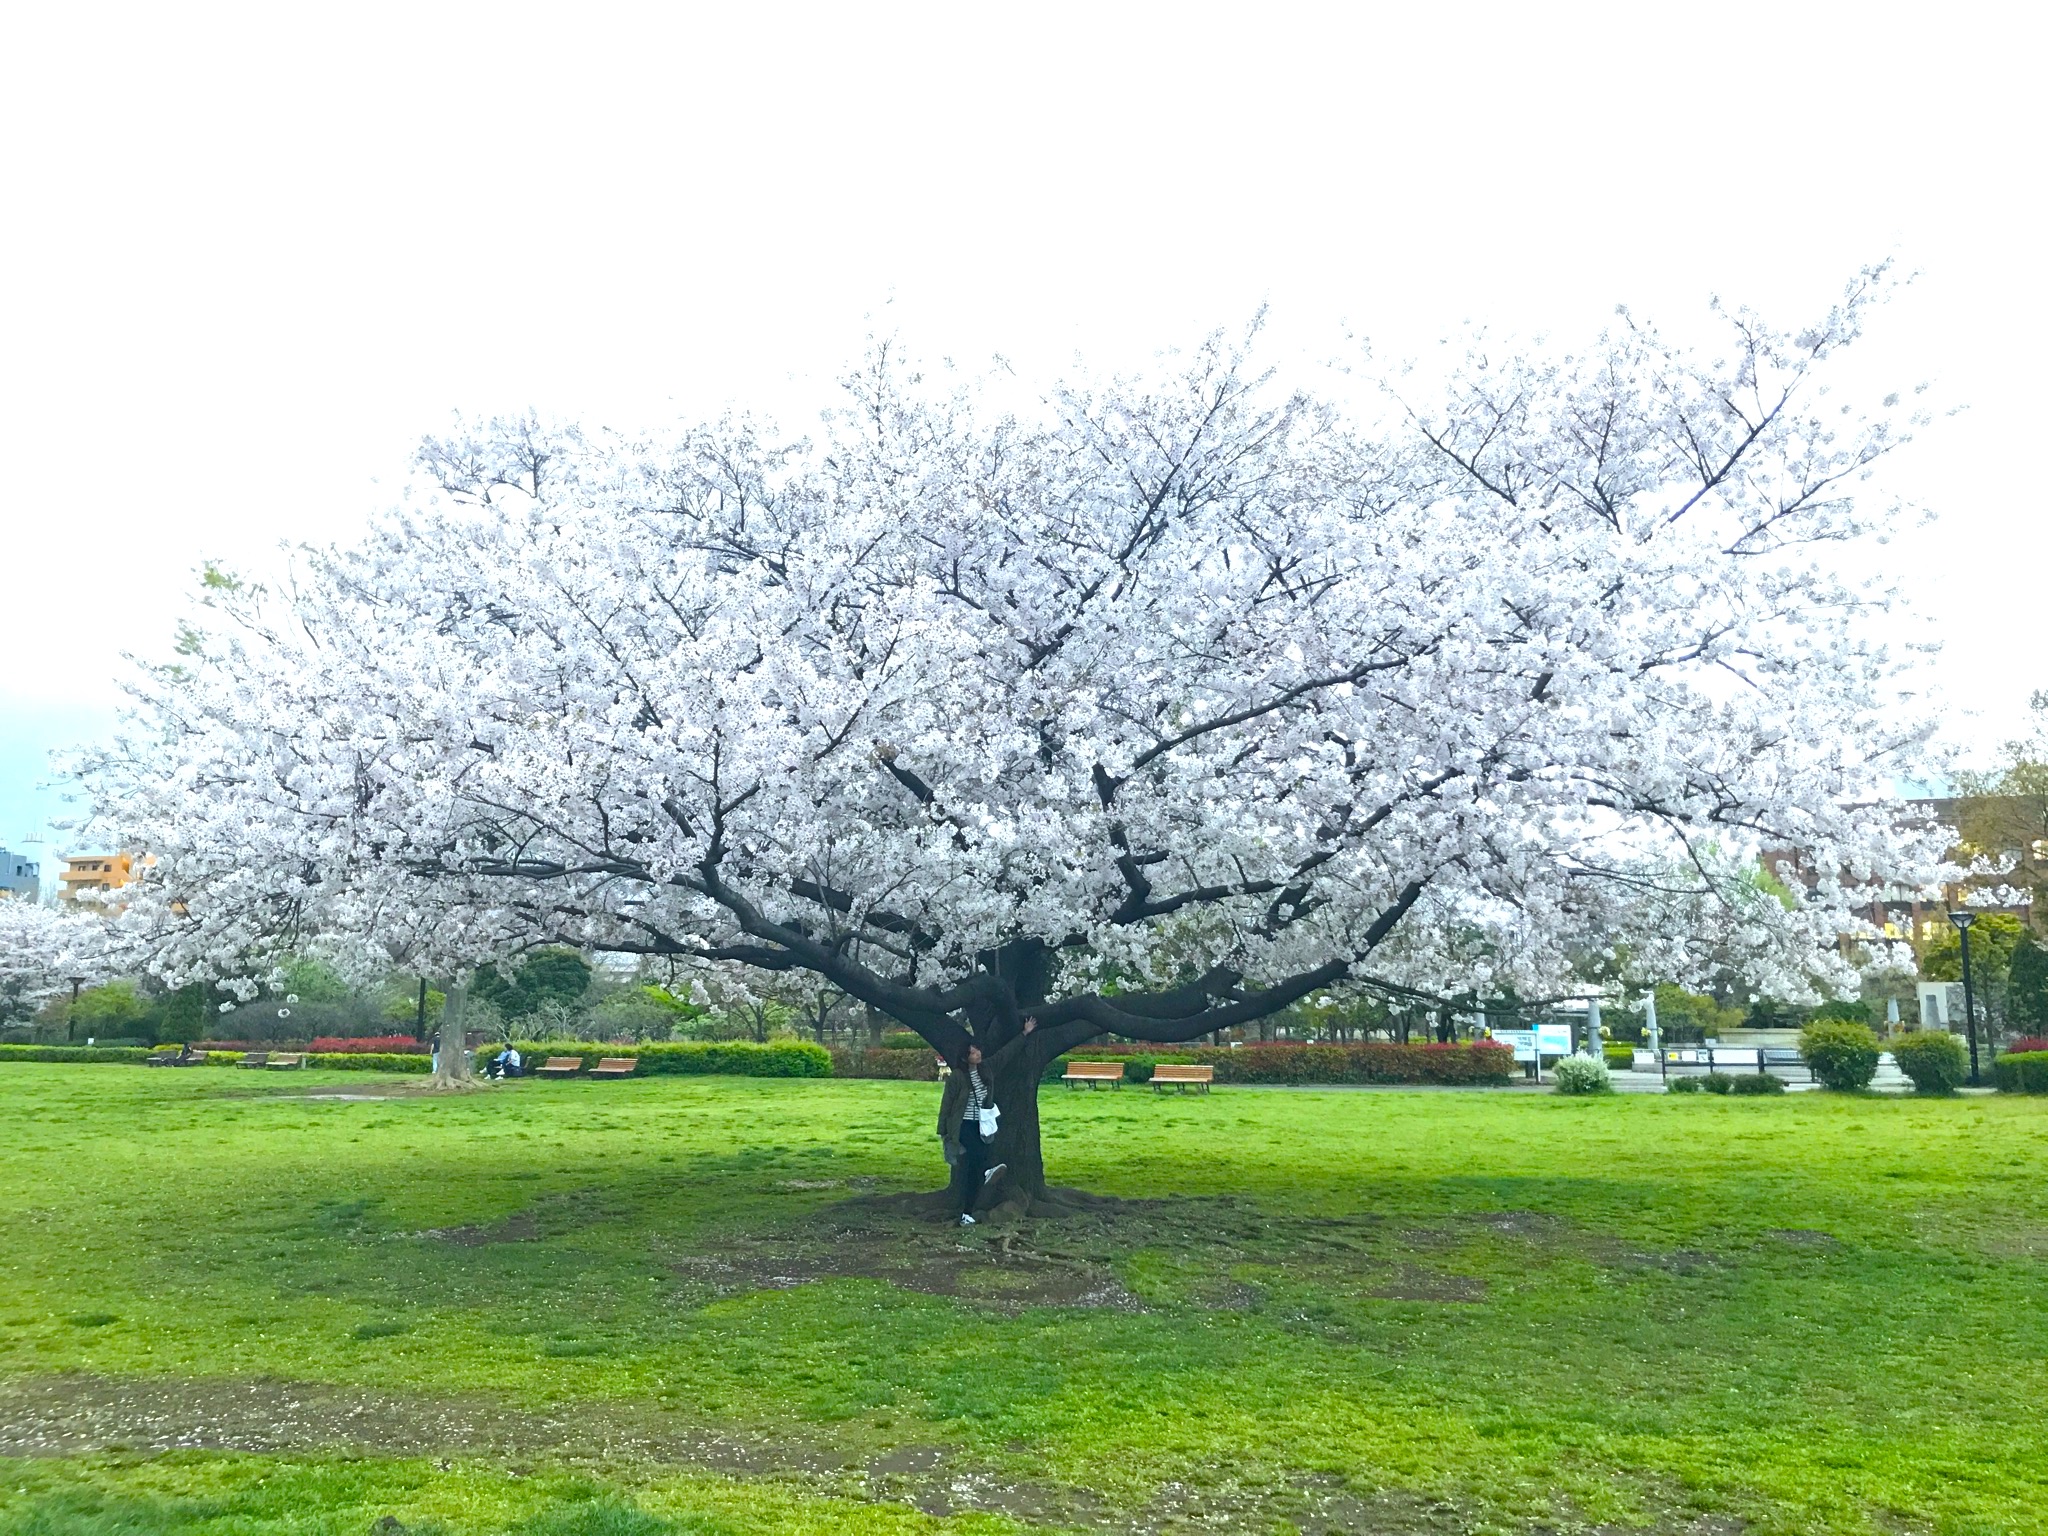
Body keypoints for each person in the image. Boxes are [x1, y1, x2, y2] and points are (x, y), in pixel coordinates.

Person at [938, 1042, 1007, 1225]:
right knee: (978, 1156)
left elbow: (1004, 1054)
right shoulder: (958, 1076)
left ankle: (967, 1212)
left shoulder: (986, 1070)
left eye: (978, 1051)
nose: (978, 1054)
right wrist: (943, 1132)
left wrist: (1024, 1034)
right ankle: (987, 1170)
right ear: (964, 1057)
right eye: (973, 1053)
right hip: (963, 1125)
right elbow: (947, 1103)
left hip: (982, 1124)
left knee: (973, 1170)